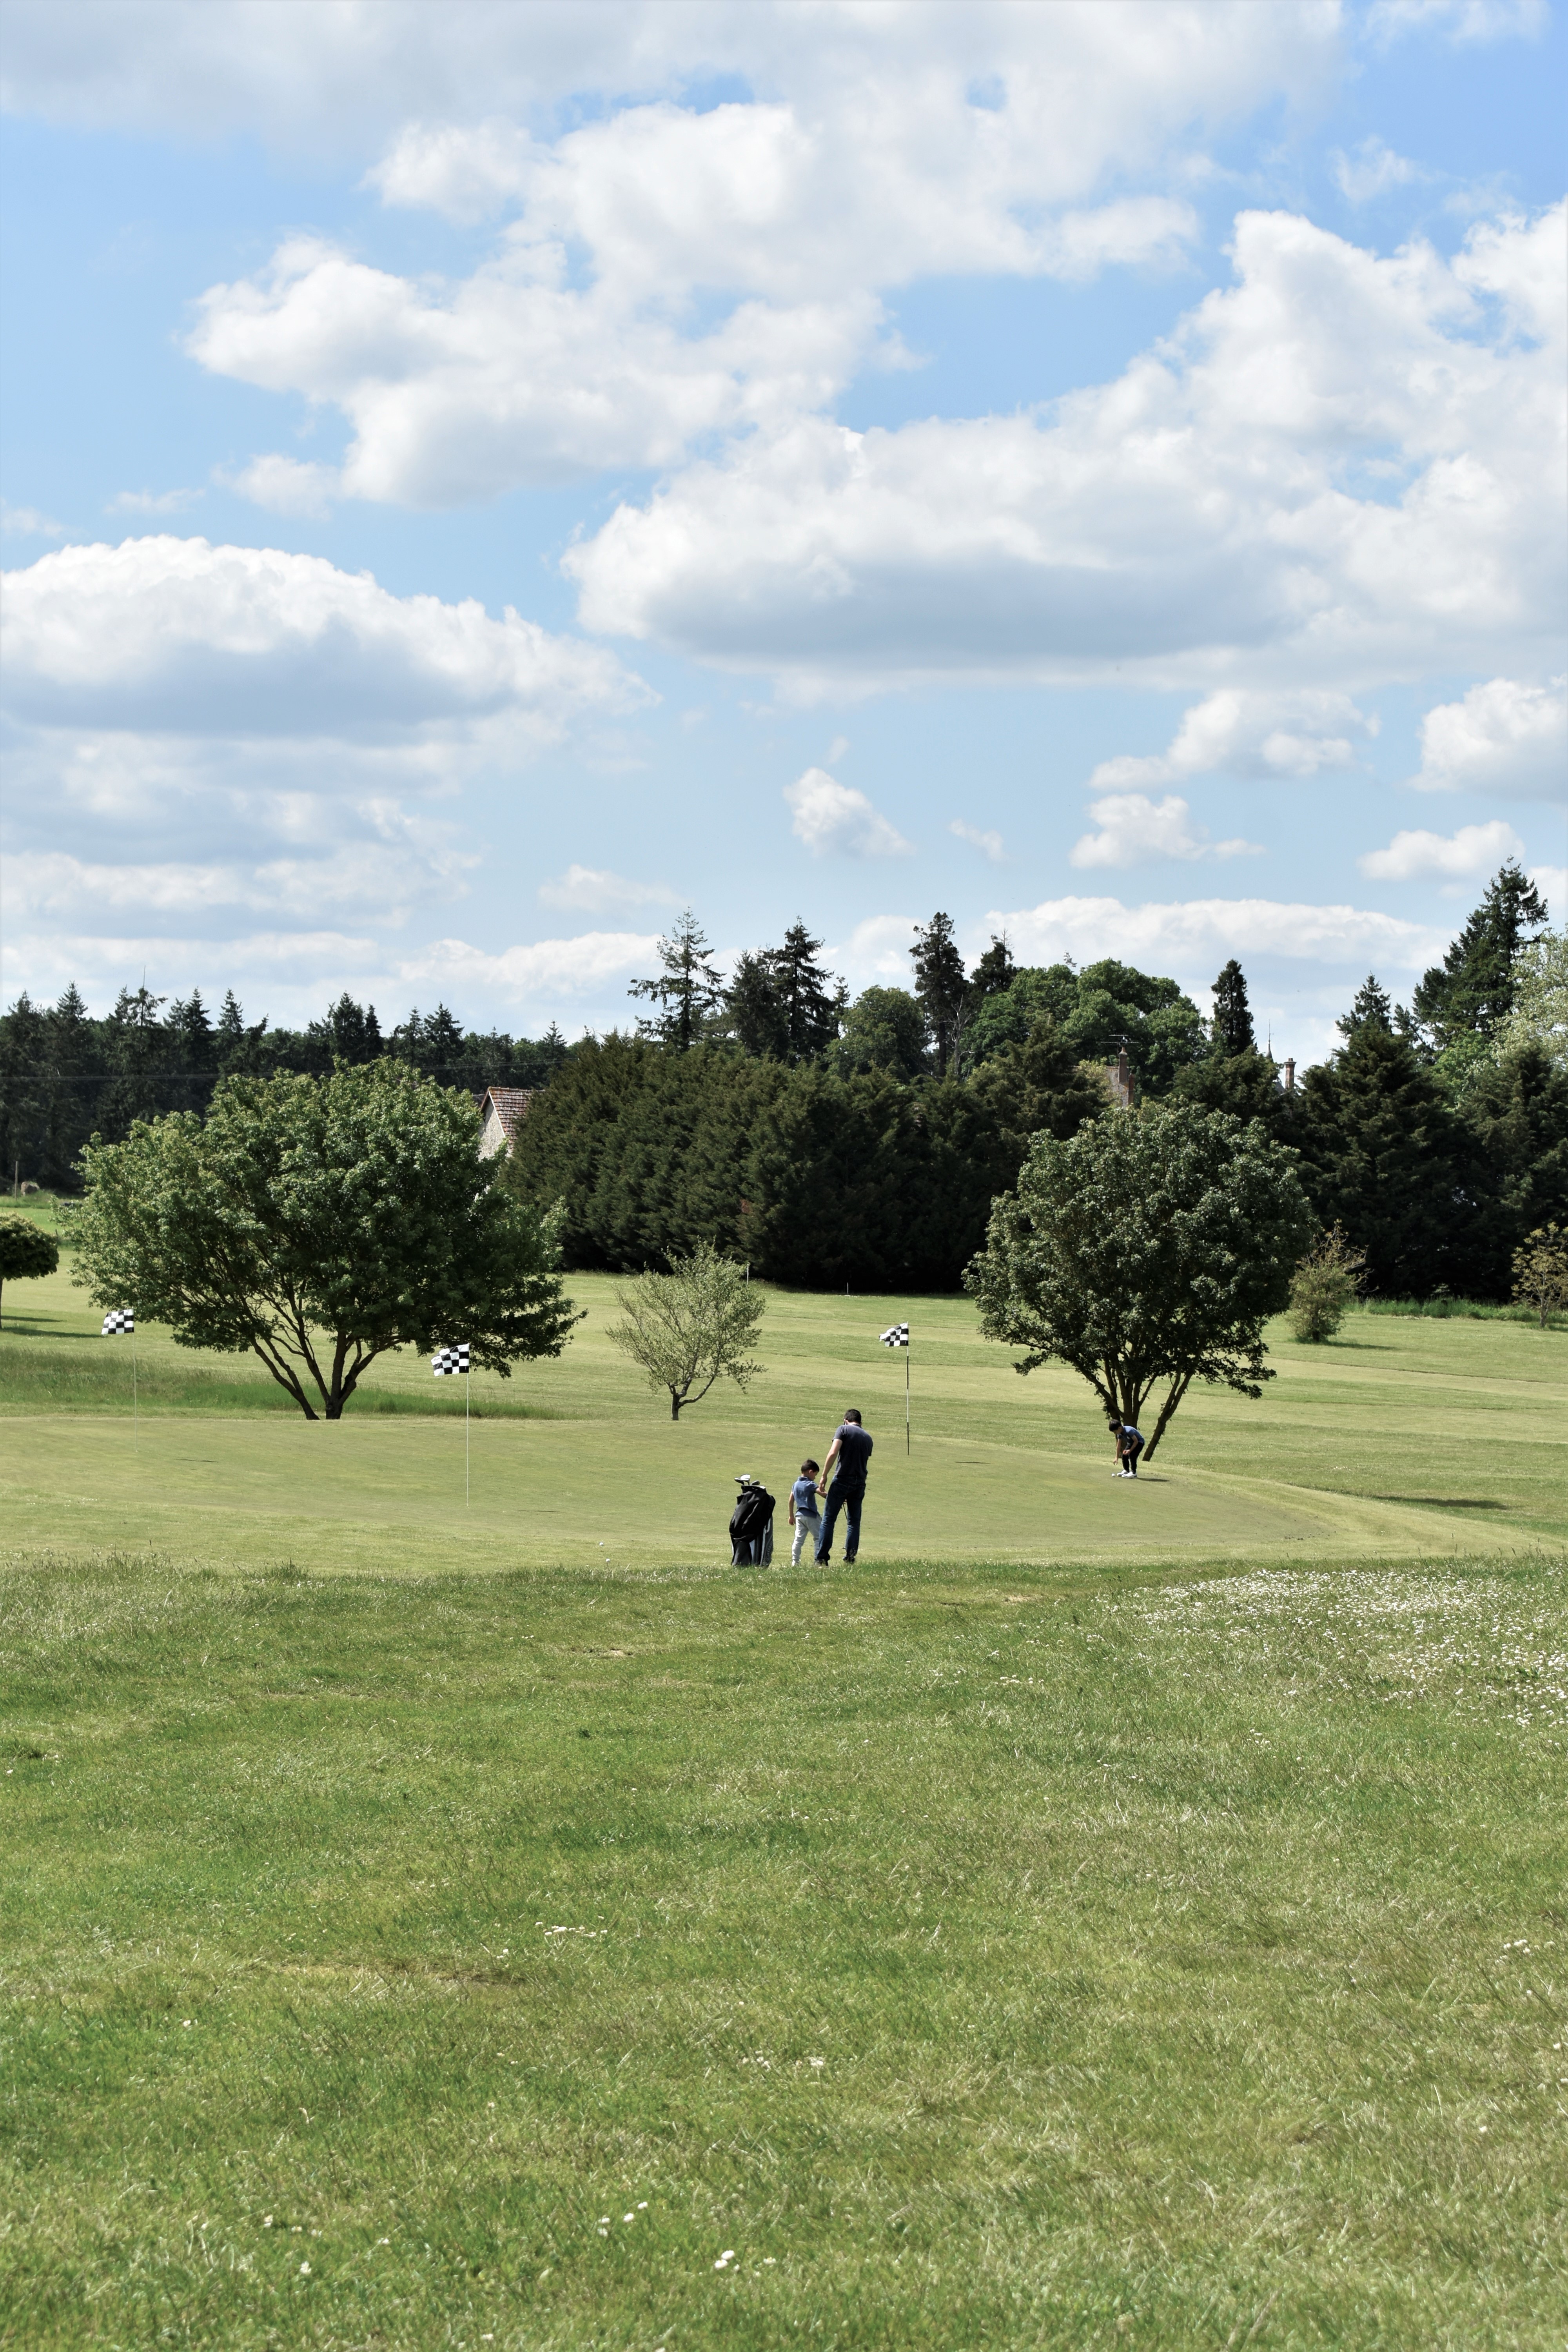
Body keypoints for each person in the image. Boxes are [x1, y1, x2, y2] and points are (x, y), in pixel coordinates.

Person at [816, 1408, 873, 1564]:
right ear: (861, 1422)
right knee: (854, 1522)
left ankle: (822, 1558)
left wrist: (824, 1475)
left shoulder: (843, 1430)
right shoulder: (868, 1438)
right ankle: (850, 1557)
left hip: (842, 1479)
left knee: (829, 1519)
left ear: (846, 1420)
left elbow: (834, 1452)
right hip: (860, 1482)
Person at [788, 1457, 822, 1566]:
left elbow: (791, 1500)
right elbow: (822, 1493)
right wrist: (836, 1499)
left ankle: (795, 1561)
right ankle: (818, 1562)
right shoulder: (811, 1484)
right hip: (811, 1516)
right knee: (818, 1538)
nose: (815, 1478)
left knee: (798, 1540)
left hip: (799, 1516)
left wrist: (791, 1516)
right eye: (815, 1475)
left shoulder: (796, 1484)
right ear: (811, 1472)